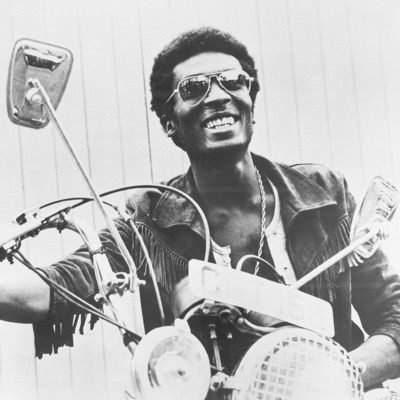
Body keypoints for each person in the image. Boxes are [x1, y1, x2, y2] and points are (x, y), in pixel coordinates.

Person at [1, 26, 400, 392]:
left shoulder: (323, 195)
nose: (219, 95)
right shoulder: (147, 221)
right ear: (170, 123)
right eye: (194, 88)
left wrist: (336, 378)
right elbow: (55, 287)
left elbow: (394, 315)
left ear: (250, 103)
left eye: (233, 81)